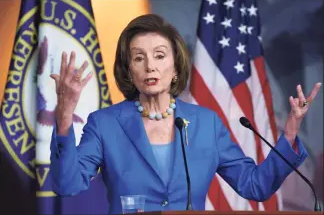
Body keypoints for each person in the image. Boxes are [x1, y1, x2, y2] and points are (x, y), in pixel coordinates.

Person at [49, 14, 322, 214]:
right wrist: (63, 117)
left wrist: (289, 133)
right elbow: (66, 184)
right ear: (129, 70)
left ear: (176, 66)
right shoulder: (105, 124)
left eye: (159, 55)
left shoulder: (206, 124)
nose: (150, 67)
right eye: (139, 58)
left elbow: (255, 186)